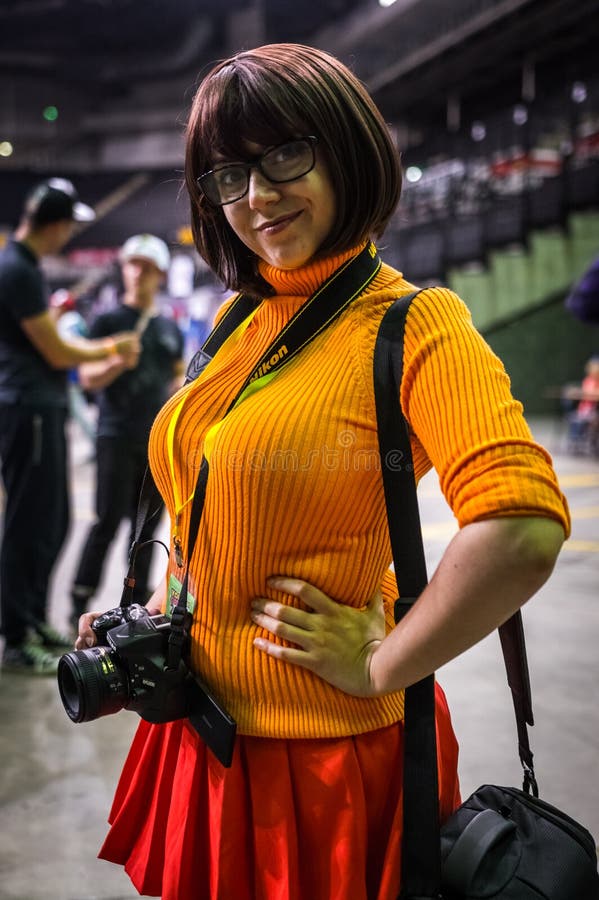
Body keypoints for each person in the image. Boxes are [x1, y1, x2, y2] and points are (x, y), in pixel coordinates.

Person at [75, 45, 570, 899]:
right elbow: (213, 497)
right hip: (202, 725)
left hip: (321, 755)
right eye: (229, 174)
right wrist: (157, 612)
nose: (256, 196)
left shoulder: (417, 324)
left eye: (283, 155)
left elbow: (520, 525)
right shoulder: (244, 315)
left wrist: (386, 663)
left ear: (345, 149)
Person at [0, 178, 140, 674]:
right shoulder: (17, 268)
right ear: (56, 226)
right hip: (29, 409)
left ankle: (32, 619)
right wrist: (112, 347)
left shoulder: (24, 267)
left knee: (52, 520)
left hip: (41, 407)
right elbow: (57, 352)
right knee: (29, 523)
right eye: (68, 227)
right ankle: (16, 636)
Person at [70, 234, 185, 626]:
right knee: (106, 521)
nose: (140, 274)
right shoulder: (107, 321)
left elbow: (176, 376)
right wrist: (117, 362)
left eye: (149, 268)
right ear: (124, 269)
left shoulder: (167, 327)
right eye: (134, 264)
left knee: (147, 530)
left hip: (153, 443)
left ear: (161, 275)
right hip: (115, 435)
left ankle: (133, 608)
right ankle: (79, 598)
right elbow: (87, 379)